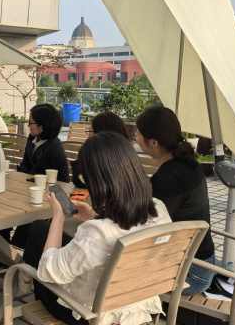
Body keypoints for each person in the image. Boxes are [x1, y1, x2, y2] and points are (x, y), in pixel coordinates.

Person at [20, 132, 171, 325]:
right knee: (39, 229)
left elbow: (48, 272)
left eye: (85, 177)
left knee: (38, 241)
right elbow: (118, 230)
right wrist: (95, 217)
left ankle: (23, 280)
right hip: (137, 306)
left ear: (99, 181)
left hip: (90, 315)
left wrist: (58, 216)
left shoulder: (96, 233)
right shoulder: (159, 209)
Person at [136, 106, 216, 295]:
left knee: (108, 269)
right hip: (201, 262)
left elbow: (145, 227)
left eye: (137, 134)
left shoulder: (169, 177)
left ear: (153, 143)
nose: (135, 138)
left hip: (191, 273)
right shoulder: (187, 163)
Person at [0, 104, 69, 278]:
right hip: (25, 190)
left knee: (5, 211)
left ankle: (8, 260)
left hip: (44, 197)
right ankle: (1, 259)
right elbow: (25, 166)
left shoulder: (54, 147)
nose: (28, 126)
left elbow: (63, 179)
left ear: (42, 126)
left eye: (31, 122)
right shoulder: (33, 140)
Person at [70, 112, 132, 188]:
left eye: (89, 132)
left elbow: (80, 182)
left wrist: (80, 155)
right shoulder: (127, 153)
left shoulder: (102, 158)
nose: (88, 137)